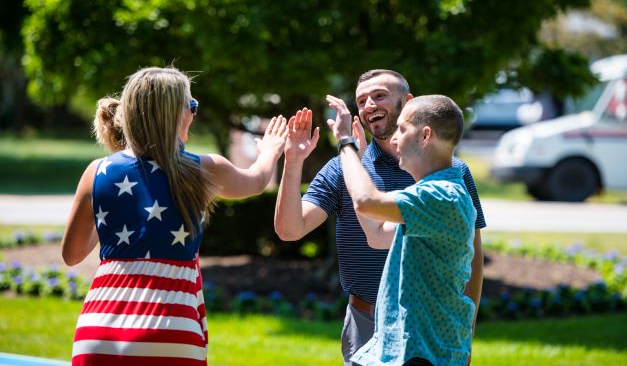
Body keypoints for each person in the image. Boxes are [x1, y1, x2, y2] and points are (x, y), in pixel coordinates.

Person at [62, 66, 288, 366]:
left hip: (97, 330)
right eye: (191, 106)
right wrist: (271, 150)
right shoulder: (203, 169)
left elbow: (72, 254)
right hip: (171, 328)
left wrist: (111, 216)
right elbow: (257, 181)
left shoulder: (97, 171)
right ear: (176, 114)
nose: (194, 114)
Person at [275, 69, 485, 365]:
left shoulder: (446, 177)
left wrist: (467, 327)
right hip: (366, 320)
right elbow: (290, 229)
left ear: (408, 102)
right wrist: (294, 161)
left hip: (428, 324)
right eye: (361, 100)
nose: (369, 105)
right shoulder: (344, 168)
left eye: (379, 95)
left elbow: (473, 257)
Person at [328, 93, 476, 365]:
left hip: (423, 355)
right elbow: (377, 233)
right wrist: (358, 159)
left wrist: (345, 143)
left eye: (402, 129)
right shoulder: (430, 196)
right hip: (406, 352)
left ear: (425, 135)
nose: (394, 139)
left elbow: (366, 202)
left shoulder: (442, 196)